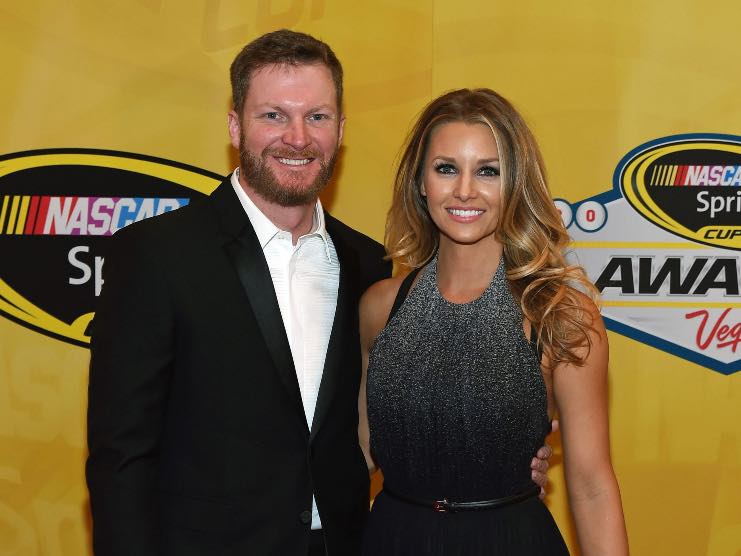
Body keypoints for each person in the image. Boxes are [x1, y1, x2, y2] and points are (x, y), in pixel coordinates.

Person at [86, 30, 552, 556]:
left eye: (317, 116)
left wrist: (493, 467)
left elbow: (393, 418)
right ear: (235, 126)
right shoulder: (157, 255)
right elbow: (120, 456)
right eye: (274, 115)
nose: (297, 137)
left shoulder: (369, 266)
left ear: (341, 129)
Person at [358, 88, 628, 555]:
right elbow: (359, 454)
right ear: (421, 182)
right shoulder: (380, 307)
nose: (465, 190)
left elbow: (591, 486)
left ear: (516, 184)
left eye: (488, 170)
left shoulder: (560, 317)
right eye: (446, 168)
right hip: (392, 539)